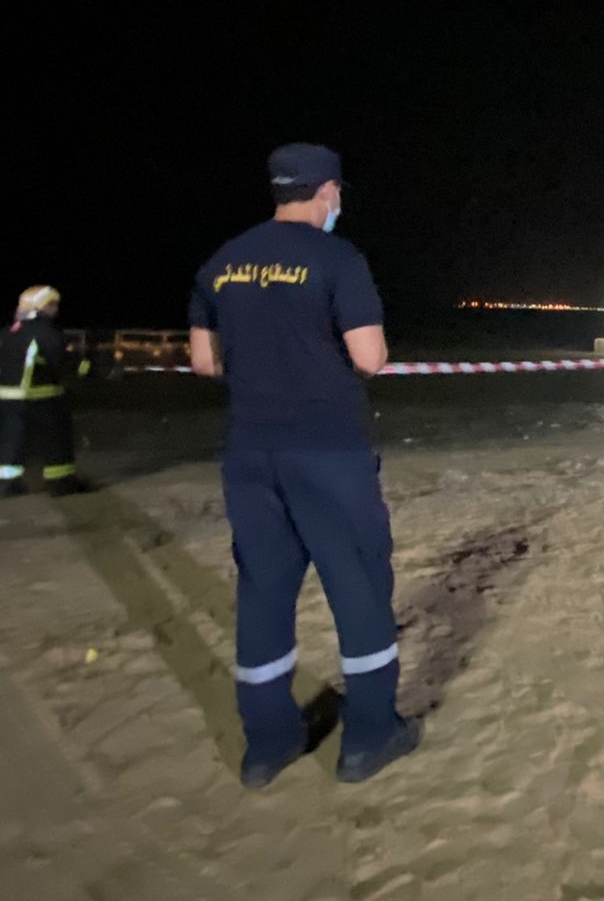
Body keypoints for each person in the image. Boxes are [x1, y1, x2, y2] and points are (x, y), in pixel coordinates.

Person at [189, 143, 417, 788]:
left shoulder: (222, 262)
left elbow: (204, 362)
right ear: (328, 191)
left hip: (250, 453)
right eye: (337, 192)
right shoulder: (338, 259)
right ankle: (369, 736)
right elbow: (369, 357)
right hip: (328, 450)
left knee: (263, 590)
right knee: (358, 585)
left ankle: (268, 745)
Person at [0, 286, 91, 496]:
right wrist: (88, 367)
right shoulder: (46, 332)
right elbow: (62, 361)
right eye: (53, 304)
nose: (56, 309)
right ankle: (61, 482)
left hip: (7, 398)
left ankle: (5, 483)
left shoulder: (7, 333)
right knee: (56, 438)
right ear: (41, 307)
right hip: (41, 396)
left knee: (11, 439)